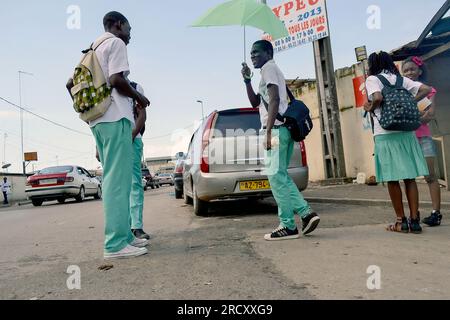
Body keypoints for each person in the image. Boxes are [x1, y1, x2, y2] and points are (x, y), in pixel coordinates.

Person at [67, 12, 150, 259]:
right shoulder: (115, 43)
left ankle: (124, 237)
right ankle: (114, 244)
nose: (130, 34)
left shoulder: (90, 50)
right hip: (115, 118)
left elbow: (69, 83)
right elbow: (116, 79)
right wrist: (140, 98)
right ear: (117, 25)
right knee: (117, 182)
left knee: (119, 180)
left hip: (99, 120)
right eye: (128, 28)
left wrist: (90, 112)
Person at [241, 40, 320, 241]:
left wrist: (268, 132)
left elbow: (274, 99)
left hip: (275, 131)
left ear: (268, 53)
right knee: (280, 175)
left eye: (256, 52)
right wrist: (247, 80)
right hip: (281, 130)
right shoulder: (268, 71)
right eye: (251, 53)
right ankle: (305, 214)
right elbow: (255, 102)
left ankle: (289, 225)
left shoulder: (269, 68)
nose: (252, 56)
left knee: (276, 177)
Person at [364, 51, 432, 234]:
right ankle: (415, 221)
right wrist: (410, 100)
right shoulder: (401, 80)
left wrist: (370, 107)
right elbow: (426, 89)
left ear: (372, 65)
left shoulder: (373, 79)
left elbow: (377, 97)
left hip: (385, 134)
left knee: (392, 179)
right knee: (409, 178)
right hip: (406, 133)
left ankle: (400, 222)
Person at [402, 56, 442, 227]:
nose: (409, 73)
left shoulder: (429, 91)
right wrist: (419, 114)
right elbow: (423, 114)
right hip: (406, 138)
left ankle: (436, 213)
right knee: (408, 177)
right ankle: (413, 214)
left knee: (430, 176)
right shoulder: (402, 92)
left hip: (423, 137)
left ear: (419, 71)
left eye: (412, 69)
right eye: (405, 70)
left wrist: (410, 115)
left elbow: (429, 115)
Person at [129, 81, 150, 240]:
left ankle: (136, 227)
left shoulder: (135, 88)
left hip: (133, 140)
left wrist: (131, 136)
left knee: (134, 183)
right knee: (117, 186)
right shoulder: (106, 84)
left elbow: (142, 116)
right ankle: (124, 228)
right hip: (113, 141)